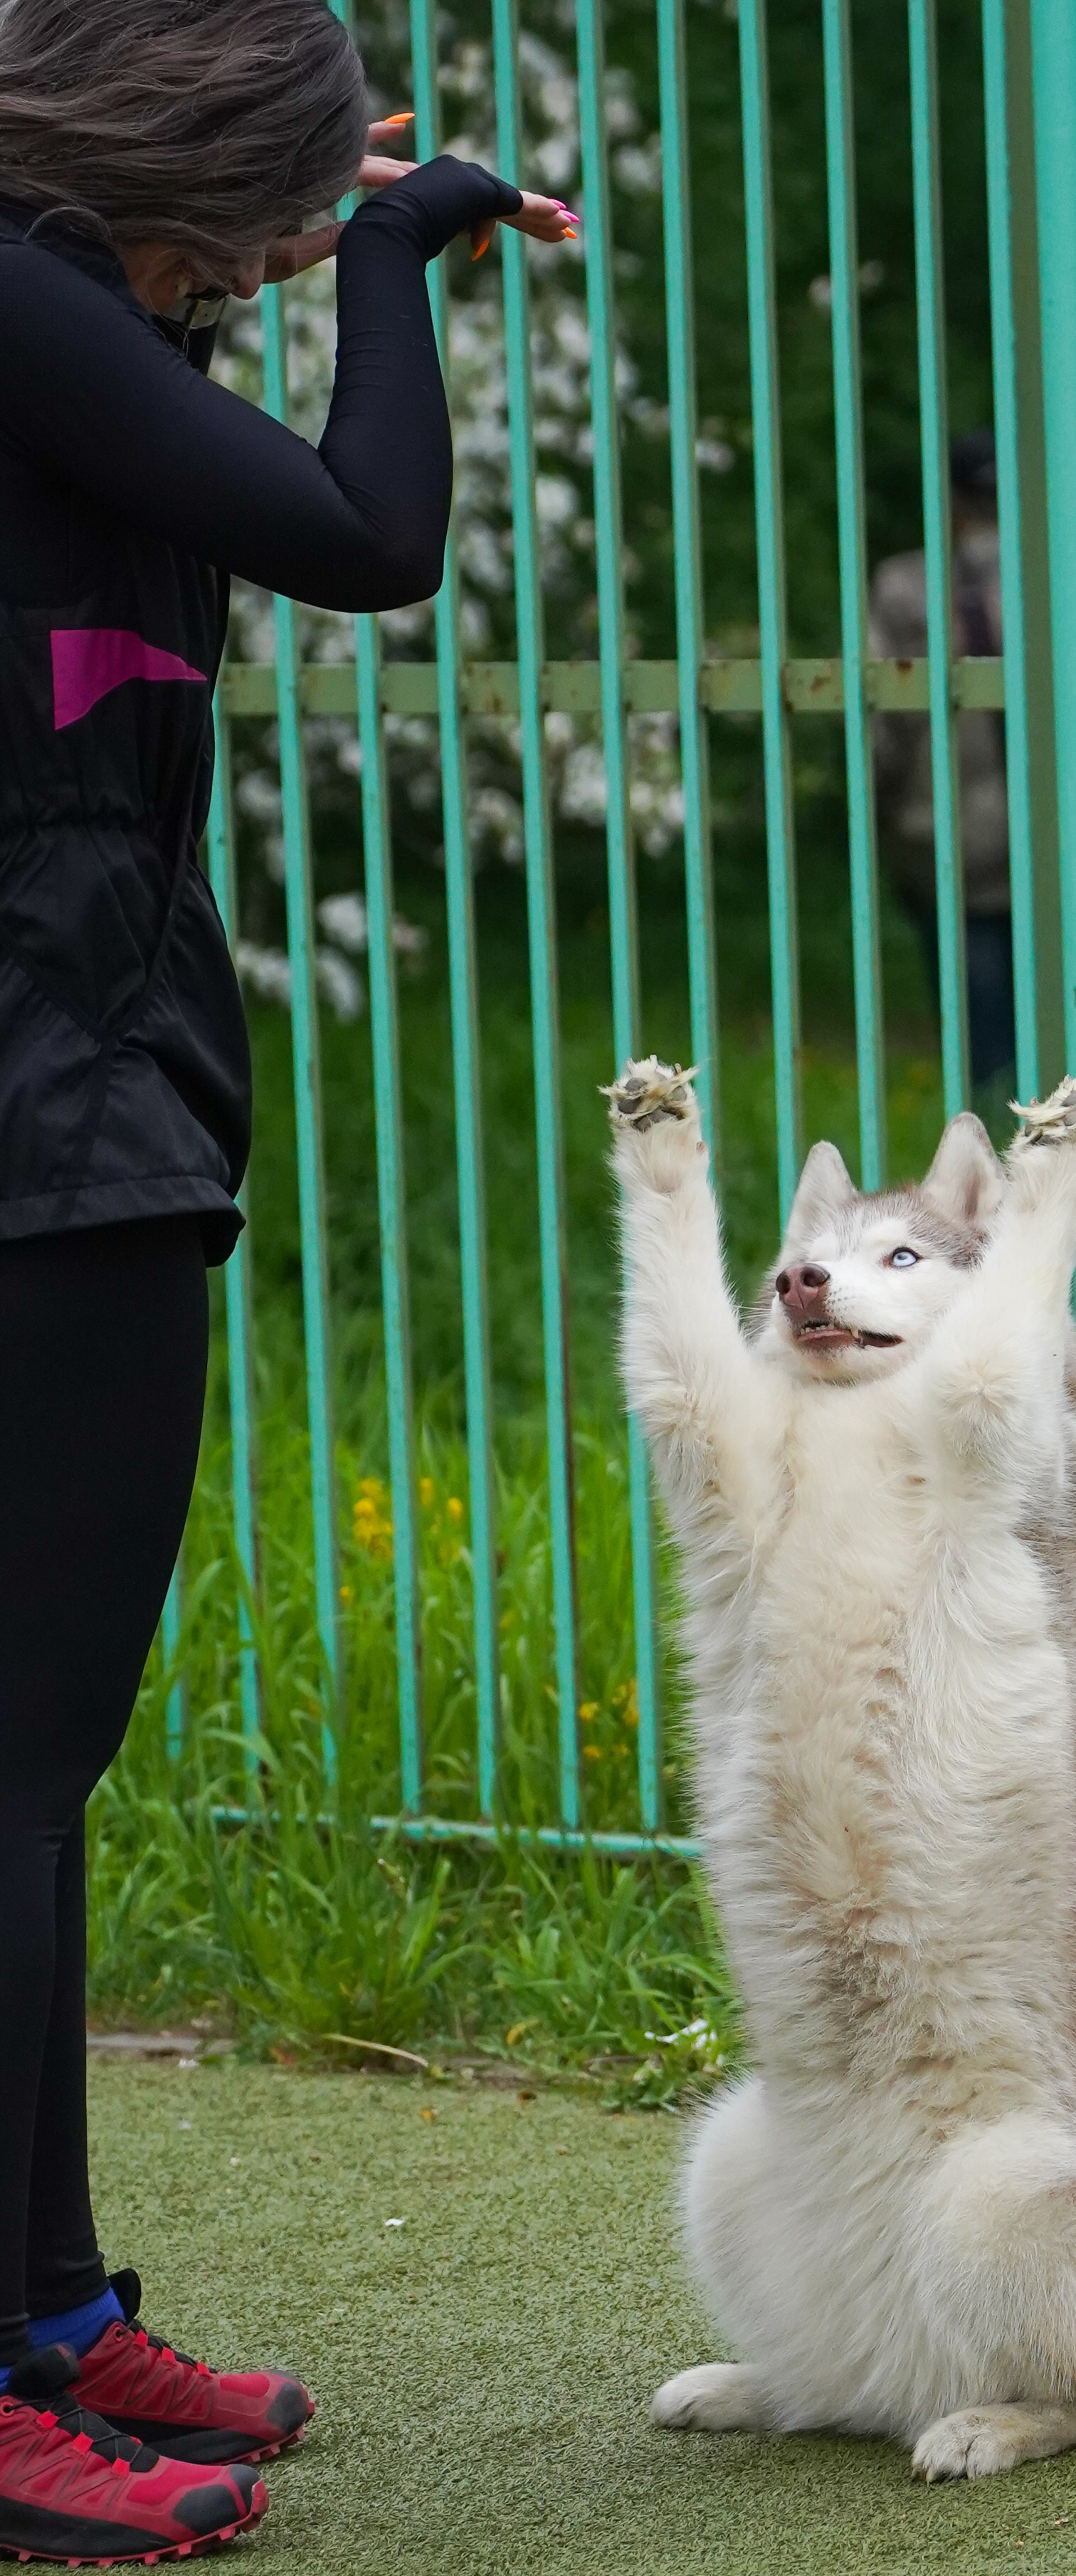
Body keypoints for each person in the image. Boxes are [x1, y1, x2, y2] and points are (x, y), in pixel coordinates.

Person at [0, 3, 571, 2559]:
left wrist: (316, 235)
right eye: (275, 196)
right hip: (36, 1093)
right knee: (10, 1759)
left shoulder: (60, 323)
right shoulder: (20, 304)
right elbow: (365, 533)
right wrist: (383, 263)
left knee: (36, 1763)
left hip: (75, 1067)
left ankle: (46, 2320)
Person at [870, 430, 1018, 1090]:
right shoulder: (1060, 573)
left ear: (952, 502)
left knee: (976, 1026)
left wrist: (880, 812)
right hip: (1058, 831)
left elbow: (880, 723)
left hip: (943, 830)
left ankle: (987, 1140)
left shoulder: (905, 586)